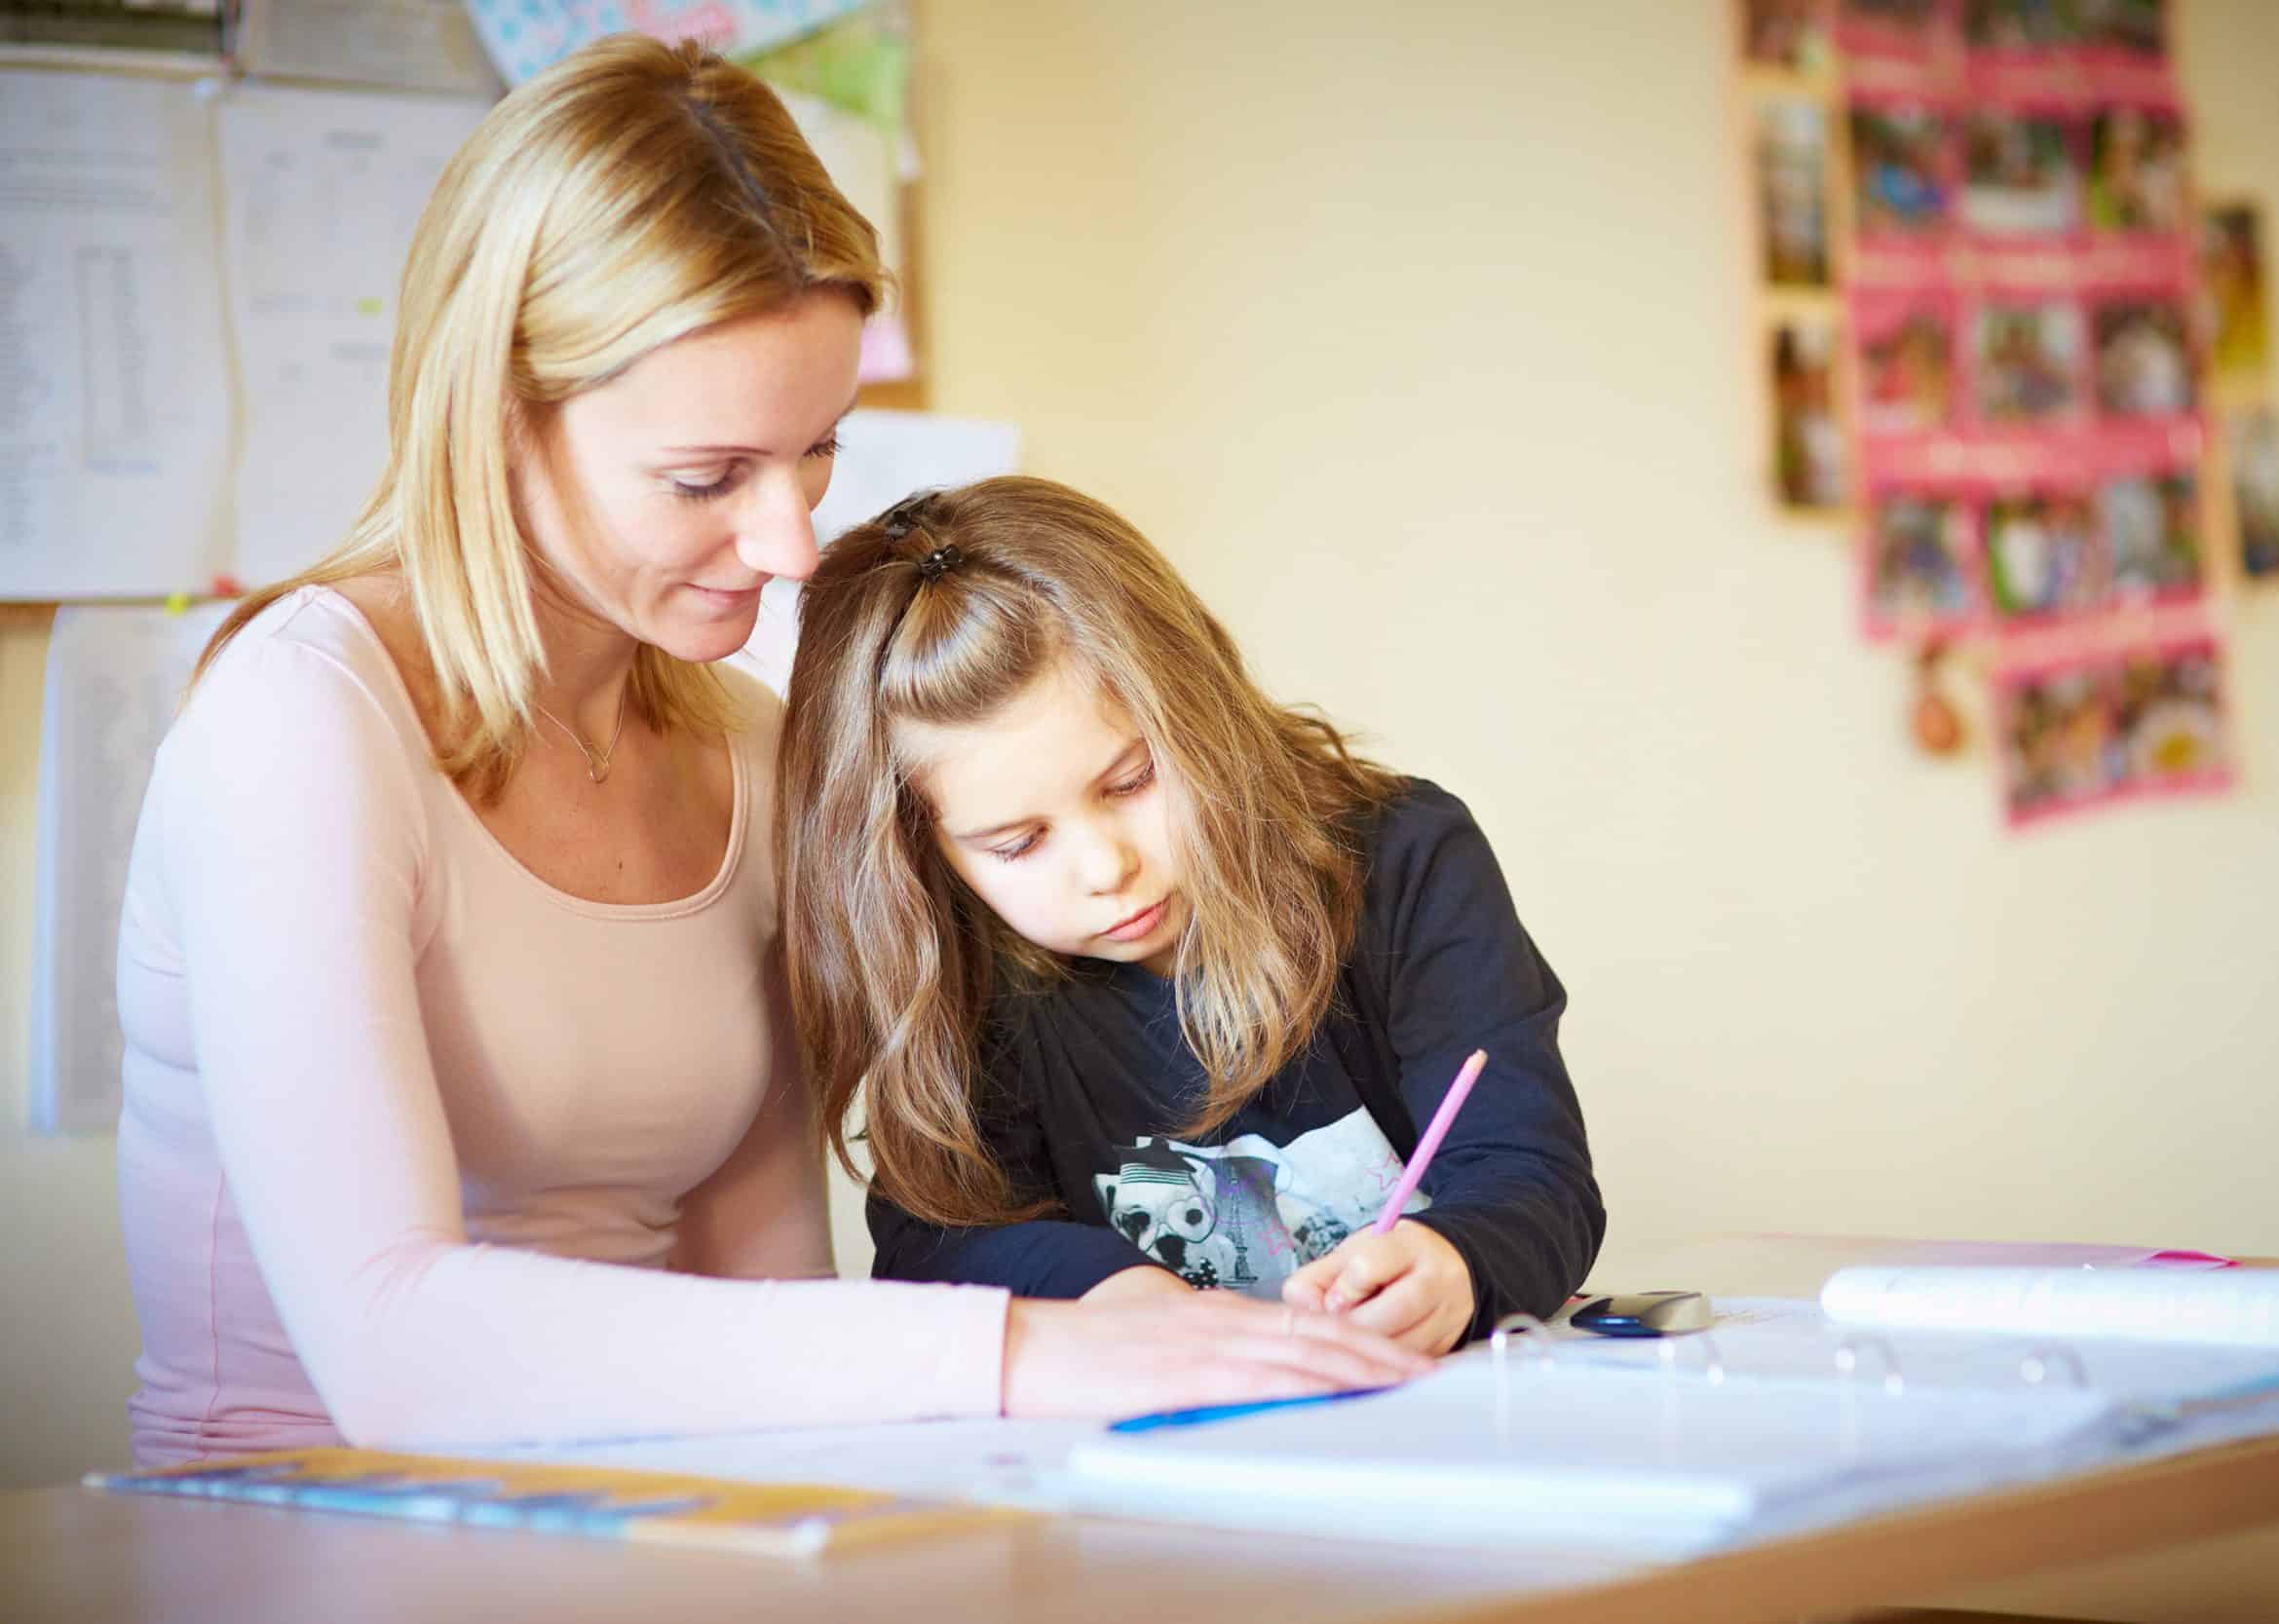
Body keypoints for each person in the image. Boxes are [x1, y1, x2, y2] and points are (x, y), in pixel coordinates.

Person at [115, 36, 1423, 1468]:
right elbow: (389, 1346)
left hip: (660, 1502)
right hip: (289, 1514)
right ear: (498, 418)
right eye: (706, 478)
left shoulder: (748, 744)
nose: (792, 546)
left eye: (814, 452)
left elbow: (774, 1307)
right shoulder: (300, 722)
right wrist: (1021, 1346)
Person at [775, 477, 1605, 1355]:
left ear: (1200, 705)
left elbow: (1534, 1179)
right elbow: (934, 1239)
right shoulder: (961, 961)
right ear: (921, 854)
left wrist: (1453, 1262)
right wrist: (1123, 1295)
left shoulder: (1406, 860)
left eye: (1132, 781)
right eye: (1017, 844)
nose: (1107, 868)